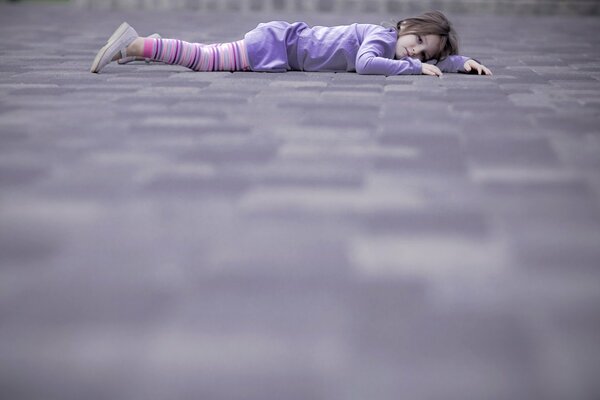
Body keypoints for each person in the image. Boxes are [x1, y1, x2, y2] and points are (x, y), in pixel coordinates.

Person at [91, 10, 492, 77]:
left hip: (280, 47)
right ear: (404, 26)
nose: (416, 52)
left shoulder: (394, 45)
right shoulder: (382, 37)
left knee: (207, 56)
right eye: (417, 40)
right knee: (205, 60)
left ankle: (150, 46)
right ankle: (138, 43)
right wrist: (413, 69)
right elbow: (368, 65)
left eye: (426, 53)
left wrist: (462, 63)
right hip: (277, 43)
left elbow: (437, 62)